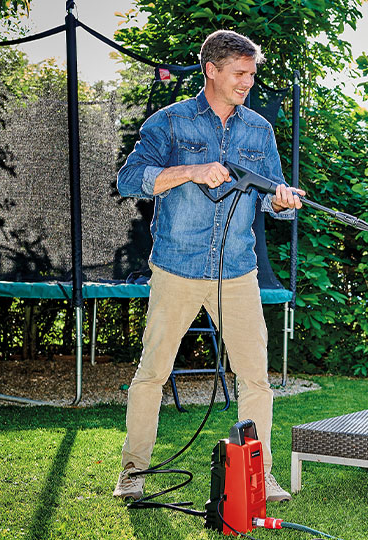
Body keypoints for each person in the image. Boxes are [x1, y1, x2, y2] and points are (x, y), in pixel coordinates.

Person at [113, 29, 303, 502]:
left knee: (256, 378)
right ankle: (133, 470)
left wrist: (281, 203)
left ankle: (260, 475)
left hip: (237, 272)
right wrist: (191, 170)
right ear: (211, 71)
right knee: (151, 374)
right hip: (176, 267)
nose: (247, 82)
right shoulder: (170, 122)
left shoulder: (259, 129)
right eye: (239, 73)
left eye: (252, 74)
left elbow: (268, 197)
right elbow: (130, 180)